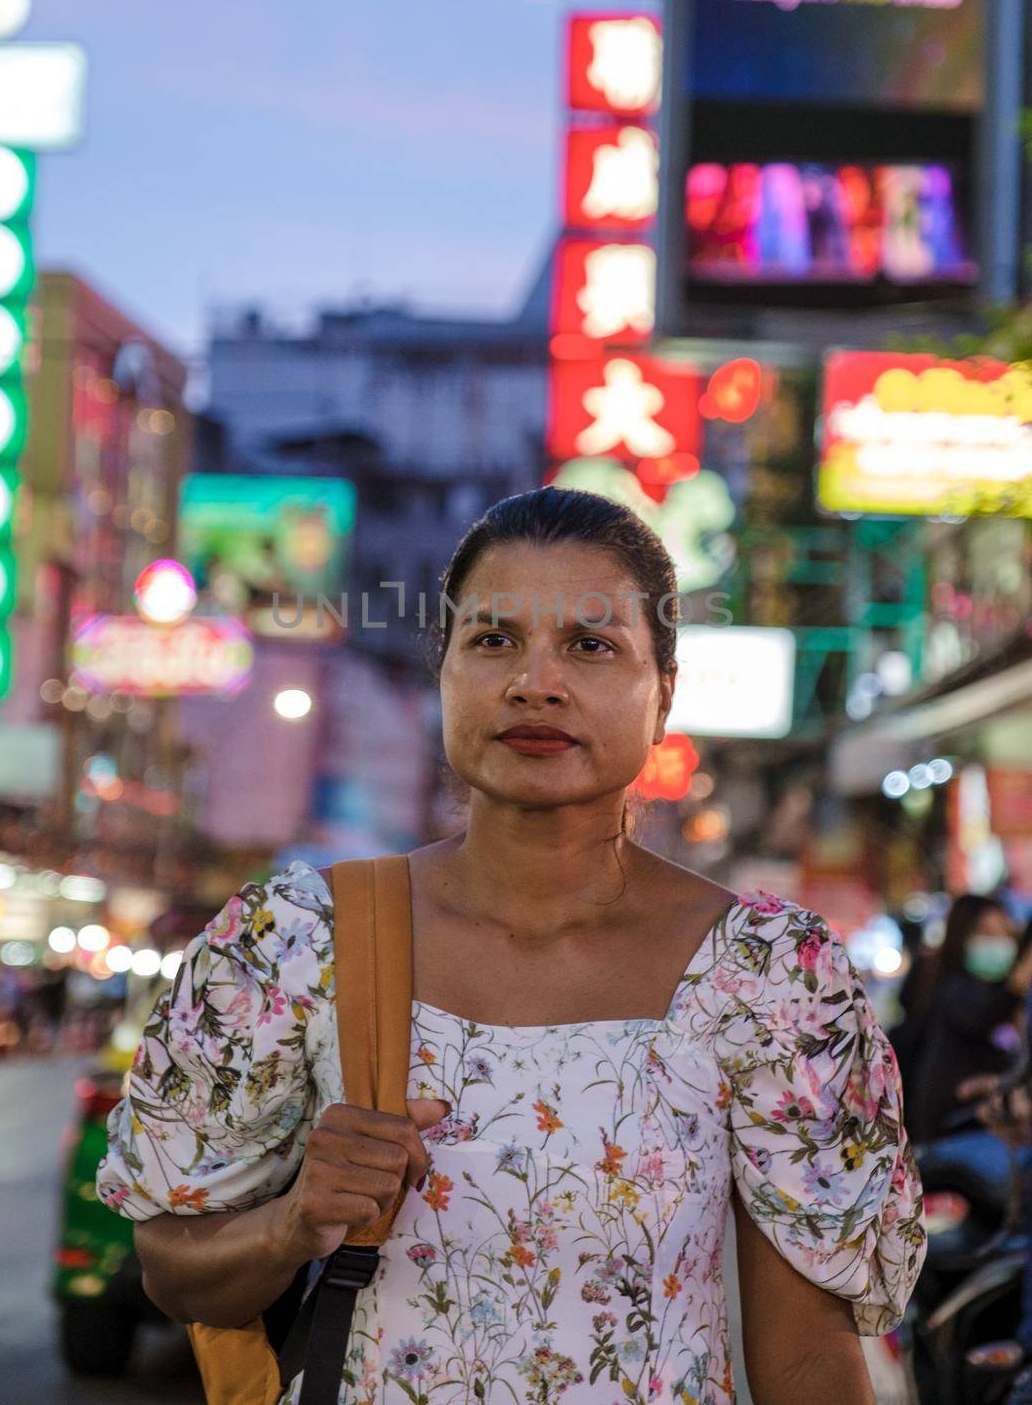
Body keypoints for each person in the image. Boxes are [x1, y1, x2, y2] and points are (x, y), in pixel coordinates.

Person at [97, 488, 925, 1405]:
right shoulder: (290, 947)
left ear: (662, 698)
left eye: (591, 646)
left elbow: (806, 1359)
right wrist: (294, 1222)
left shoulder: (770, 979)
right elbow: (173, 1272)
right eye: (492, 641)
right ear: (442, 672)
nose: (536, 682)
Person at [904, 894, 1032, 1144]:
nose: (999, 942)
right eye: (987, 932)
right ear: (962, 937)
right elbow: (982, 1019)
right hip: (952, 1135)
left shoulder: (1010, 1000)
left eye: (1006, 933)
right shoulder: (953, 990)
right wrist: (1017, 983)